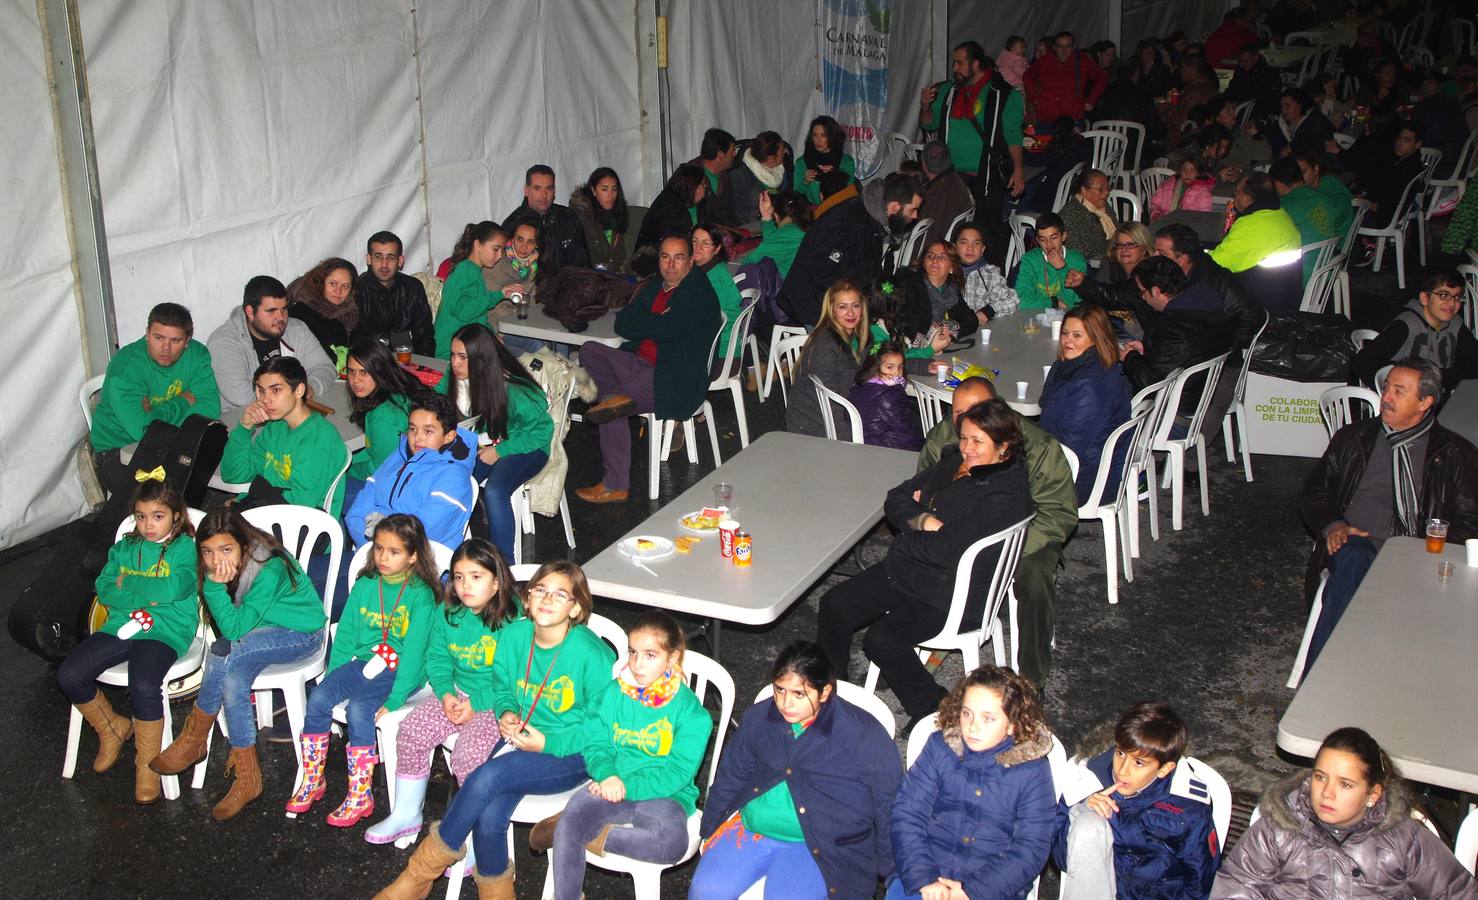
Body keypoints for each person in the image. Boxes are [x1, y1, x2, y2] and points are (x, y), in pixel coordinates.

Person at [373, 561, 615, 900]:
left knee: (486, 777)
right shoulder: (515, 635)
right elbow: (503, 688)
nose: (547, 599)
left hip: (574, 751)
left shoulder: (592, 654)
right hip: (518, 741)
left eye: (560, 594)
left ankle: (418, 875)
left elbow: (602, 729)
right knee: (489, 814)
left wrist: (549, 740)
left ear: (575, 607)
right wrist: (505, 713)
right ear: (527, 599)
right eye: (540, 590)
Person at [816, 400, 1034, 721]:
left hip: (951, 593)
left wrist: (905, 539)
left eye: (977, 441)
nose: (967, 448)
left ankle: (934, 706)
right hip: (913, 572)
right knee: (834, 605)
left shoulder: (1002, 495)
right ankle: (832, 693)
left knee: (882, 640)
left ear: (1004, 447)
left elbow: (946, 550)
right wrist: (923, 521)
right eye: (963, 437)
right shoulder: (957, 464)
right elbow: (897, 496)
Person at [1297, 358, 1478, 672]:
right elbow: (1314, 492)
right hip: (1357, 544)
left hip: (1416, 553)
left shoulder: (1456, 454)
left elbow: (1469, 519)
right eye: (1386, 388)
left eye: (1399, 390)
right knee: (1354, 557)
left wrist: (1427, 549)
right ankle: (1325, 675)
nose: (1386, 397)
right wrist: (1334, 524)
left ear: (1426, 402)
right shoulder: (1354, 439)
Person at [149, 508, 326, 821]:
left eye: (226, 549)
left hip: (301, 634)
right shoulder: (217, 565)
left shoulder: (268, 567)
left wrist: (215, 587)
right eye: (208, 551)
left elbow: (232, 630)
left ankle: (194, 739)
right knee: (232, 678)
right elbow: (235, 627)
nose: (217, 560)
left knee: (223, 651)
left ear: (243, 546)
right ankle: (248, 779)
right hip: (257, 632)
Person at [689, 641, 903, 899]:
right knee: (705, 891)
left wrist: (893, 871)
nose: (785, 703)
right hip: (752, 829)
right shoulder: (760, 718)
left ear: (824, 692)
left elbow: (887, 803)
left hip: (814, 844)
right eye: (779, 690)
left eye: (799, 694)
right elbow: (731, 775)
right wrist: (709, 829)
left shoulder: (862, 736)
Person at [532, 611, 713, 900]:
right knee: (571, 827)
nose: (638, 664)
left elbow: (677, 774)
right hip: (609, 782)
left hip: (664, 794)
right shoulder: (612, 694)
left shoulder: (692, 714)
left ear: (673, 657)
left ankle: (587, 832)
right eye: (632, 652)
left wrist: (624, 786)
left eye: (650, 655)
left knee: (671, 843)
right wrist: (606, 773)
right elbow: (595, 744)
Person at [916, 378, 1077, 687]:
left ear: (997, 409)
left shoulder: (1036, 446)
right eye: (957, 411)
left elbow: (1057, 512)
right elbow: (923, 492)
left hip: (1026, 535)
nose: (963, 418)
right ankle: (913, 648)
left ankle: (1031, 678)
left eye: (974, 410)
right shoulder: (945, 439)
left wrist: (1004, 547)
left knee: (1034, 579)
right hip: (965, 529)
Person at [364, 538, 521, 848]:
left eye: (476, 577)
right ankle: (407, 813)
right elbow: (437, 658)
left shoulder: (513, 619)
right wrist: (447, 694)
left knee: (468, 757)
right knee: (411, 732)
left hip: (498, 701)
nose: (465, 586)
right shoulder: (447, 612)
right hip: (457, 693)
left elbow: (515, 677)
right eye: (459, 577)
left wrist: (475, 704)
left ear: (496, 581)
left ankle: (475, 836)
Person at [286, 514, 438, 826]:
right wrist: (335, 676)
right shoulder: (366, 585)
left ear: (413, 556)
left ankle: (361, 793)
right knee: (318, 698)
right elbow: (346, 636)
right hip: (362, 662)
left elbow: (414, 653)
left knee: (360, 710)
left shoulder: (420, 595)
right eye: (379, 548)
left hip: (399, 670)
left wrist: (396, 699)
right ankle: (314, 778)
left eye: (394, 551)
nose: (383, 557)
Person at [57, 476, 197, 805]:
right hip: (122, 624)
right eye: (141, 516)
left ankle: (147, 765)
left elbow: (174, 590)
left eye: (157, 516)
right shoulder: (124, 548)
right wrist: (141, 595)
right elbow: (105, 589)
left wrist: (129, 582)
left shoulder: (185, 548)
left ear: (176, 515)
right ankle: (112, 728)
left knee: (144, 683)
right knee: (69, 674)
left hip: (166, 628)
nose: (148, 525)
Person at [1212, 727, 1478, 898]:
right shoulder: (1279, 828)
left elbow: (1458, 892)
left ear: (1373, 795)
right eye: (1320, 777)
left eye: (1345, 784)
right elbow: (1236, 886)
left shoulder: (1404, 840)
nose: (1327, 793)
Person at [888, 666, 1057, 900]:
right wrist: (923, 877)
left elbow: (1031, 849)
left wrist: (973, 891)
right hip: (925, 873)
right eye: (967, 713)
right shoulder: (940, 747)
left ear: (1012, 724)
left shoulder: (1032, 770)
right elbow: (907, 812)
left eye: (988, 718)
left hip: (992, 888)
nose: (973, 726)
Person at [574, 235, 722, 504]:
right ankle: (615, 397)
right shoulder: (656, 288)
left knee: (610, 407)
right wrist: (655, 320)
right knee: (589, 350)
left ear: (690, 261)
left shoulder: (698, 293)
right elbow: (624, 323)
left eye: (678, 257)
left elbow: (664, 330)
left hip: (672, 377)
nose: (671, 264)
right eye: (665, 257)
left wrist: (652, 323)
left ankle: (615, 484)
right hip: (639, 364)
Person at [1056, 702, 1219, 900]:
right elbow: (1063, 861)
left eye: (1138, 763)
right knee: (1086, 823)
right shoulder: (1087, 780)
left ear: (1164, 769)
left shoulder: (1186, 809)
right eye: (1120, 753)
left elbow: (1200, 885)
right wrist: (1081, 810)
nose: (1122, 770)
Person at [439, 324, 553, 560]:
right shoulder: (457, 378)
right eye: (452, 355)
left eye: (463, 357)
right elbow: (436, 402)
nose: (455, 363)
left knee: (495, 491)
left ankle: (505, 565)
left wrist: (501, 451)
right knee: (457, 479)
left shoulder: (515, 390)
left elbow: (542, 432)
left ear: (482, 359)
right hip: (486, 443)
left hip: (527, 445)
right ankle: (450, 549)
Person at [89, 302, 222, 491]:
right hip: (118, 449)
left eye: (175, 341)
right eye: (158, 337)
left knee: (210, 482)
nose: (165, 348)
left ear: (187, 341)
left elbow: (209, 410)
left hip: (175, 442)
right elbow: (143, 432)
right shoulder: (127, 368)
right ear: (147, 333)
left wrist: (154, 414)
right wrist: (183, 401)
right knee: (161, 498)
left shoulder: (197, 355)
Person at [919, 42, 1027, 265]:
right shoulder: (948, 92)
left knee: (985, 233)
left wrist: (1017, 169)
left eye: (960, 62)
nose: (954, 67)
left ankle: (990, 280)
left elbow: (1013, 135)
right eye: (954, 63)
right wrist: (926, 107)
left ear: (976, 64)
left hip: (984, 177)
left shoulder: (1001, 94)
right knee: (948, 229)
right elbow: (929, 124)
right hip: (949, 177)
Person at [779, 172, 922, 328]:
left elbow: (867, 269)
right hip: (814, 307)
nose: (915, 216)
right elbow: (822, 275)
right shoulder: (850, 225)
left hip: (842, 300)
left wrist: (885, 294)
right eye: (913, 209)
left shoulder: (873, 218)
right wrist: (853, 313)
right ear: (894, 206)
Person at [345, 392, 478, 551]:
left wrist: (379, 543)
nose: (417, 438)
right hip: (373, 552)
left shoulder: (453, 476)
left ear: (449, 436)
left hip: (419, 566)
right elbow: (356, 513)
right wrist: (373, 547)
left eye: (428, 431)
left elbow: (423, 530)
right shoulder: (398, 457)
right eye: (413, 429)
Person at [219, 357, 347, 515]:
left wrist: (246, 509)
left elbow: (299, 505)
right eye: (261, 390)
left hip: (301, 528)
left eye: (275, 390)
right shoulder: (275, 428)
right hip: (272, 511)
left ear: (299, 390)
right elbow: (234, 475)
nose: (265, 399)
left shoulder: (317, 440)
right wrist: (245, 428)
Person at [1040, 305, 1133, 503]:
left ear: (1095, 338)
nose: (1067, 341)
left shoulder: (1088, 385)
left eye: (1077, 335)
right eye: (1065, 333)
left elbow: (1068, 450)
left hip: (1082, 480)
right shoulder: (1092, 365)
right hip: (1090, 465)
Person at [207, 275, 337, 409]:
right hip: (245, 420)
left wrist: (310, 387)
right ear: (250, 312)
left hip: (292, 413)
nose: (280, 317)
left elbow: (325, 367)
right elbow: (243, 397)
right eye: (271, 311)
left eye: (284, 309)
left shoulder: (297, 329)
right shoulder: (224, 342)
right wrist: (294, 394)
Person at [1119, 255, 1236, 392]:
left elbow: (1149, 381)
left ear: (1155, 291)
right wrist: (1148, 348)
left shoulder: (1174, 327)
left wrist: (1129, 357)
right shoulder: (1205, 305)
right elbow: (1182, 354)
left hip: (1180, 401)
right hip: (1208, 388)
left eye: (1142, 292)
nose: (1142, 298)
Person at [1352, 270, 1478, 391]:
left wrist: (1443, 377)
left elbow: (1473, 360)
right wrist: (1392, 388)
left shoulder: (1455, 324)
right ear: (1425, 298)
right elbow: (1363, 361)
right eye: (1444, 295)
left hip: (1439, 396)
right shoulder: (1406, 324)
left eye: (1457, 297)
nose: (1451, 303)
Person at [786, 279, 874, 440]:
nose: (850, 313)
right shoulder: (825, 346)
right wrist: (852, 444)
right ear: (832, 310)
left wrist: (926, 365)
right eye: (843, 307)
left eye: (855, 305)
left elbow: (884, 360)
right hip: (814, 423)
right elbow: (833, 402)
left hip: (846, 408)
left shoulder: (861, 336)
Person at [343, 337, 421, 488]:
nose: (355, 380)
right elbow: (374, 450)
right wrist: (345, 462)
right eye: (351, 372)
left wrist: (346, 471)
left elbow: (379, 468)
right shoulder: (393, 393)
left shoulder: (384, 416)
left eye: (364, 372)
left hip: (399, 485)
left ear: (380, 371)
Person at [1269, 157, 1352, 284]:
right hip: (1328, 268)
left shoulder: (1282, 207)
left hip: (1299, 277)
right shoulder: (1326, 199)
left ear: (1278, 185)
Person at [432, 221, 509, 359]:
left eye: (502, 250)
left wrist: (492, 335)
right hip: (450, 352)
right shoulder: (465, 271)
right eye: (496, 249)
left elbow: (477, 318)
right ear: (477, 244)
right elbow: (465, 311)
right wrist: (499, 295)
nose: (500, 255)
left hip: (466, 347)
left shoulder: (473, 271)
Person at [500, 164, 590, 279]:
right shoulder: (513, 225)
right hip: (529, 293)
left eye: (549, 188)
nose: (544, 195)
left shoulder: (568, 218)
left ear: (554, 191)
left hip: (568, 291)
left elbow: (582, 265)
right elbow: (504, 272)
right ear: (526, 191)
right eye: (537, 188)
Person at [356, 230, 436, 356]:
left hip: (406, 360)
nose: (384, 265)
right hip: (369, 361)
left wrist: (424, 369)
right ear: (369, 259)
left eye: (391, 257)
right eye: (378, 257)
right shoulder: (357, 289)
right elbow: (354, 341)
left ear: (400, 261)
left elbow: (424, 336)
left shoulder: (412, 288)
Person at [1211, 173, 1301, 274]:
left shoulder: (1251, 226)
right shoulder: (1280, 214)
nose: (1234, 197)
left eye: (1236, 192)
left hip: (1259, 287)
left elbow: (1215, 264)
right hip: (1283, 283)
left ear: (1247, 197)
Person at [481, 217, 546, 356]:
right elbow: (492, 306)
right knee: (537, 346)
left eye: (530, 241)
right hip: (496, 325)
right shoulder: (496, 261)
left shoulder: (534, 265)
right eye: (520, 239)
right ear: (512, 238)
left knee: (555, 341)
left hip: (523, 322)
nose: (524, 246)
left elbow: (532, 299)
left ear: (537, 245)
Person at [630, 164, 707, 278]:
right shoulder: (669, 208)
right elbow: (674, 245)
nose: (705, 190)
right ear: (694, 187)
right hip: (653, 264)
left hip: (669, 259)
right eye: (703, 185)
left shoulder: (687, 203)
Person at [1024, 31, 1108, 130]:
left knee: (1074, 145)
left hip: (1073, 118)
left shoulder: (1083, 61)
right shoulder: (1045, 61)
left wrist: (1091, 100)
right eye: (1060, 46)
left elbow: (1102, 77)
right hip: (1047, 118)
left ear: (1074, 47)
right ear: (1054, 48)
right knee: (1046, 145)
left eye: (1067, 46)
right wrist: (1035, 98)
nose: (1063, 51)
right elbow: (1027, 76)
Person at [1354, 120, 1427, 234]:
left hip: (1380, 218)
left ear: (1417, 144)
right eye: (1399, 138)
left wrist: (1360, 201)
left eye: (1406, 140)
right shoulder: (1398, 161)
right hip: (1375, 210)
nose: (1399, 143)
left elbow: (1387, 208)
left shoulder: (1407, 170)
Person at [849, 342, 924, 451]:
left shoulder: (862, 384)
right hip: (885, 448)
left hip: (869, 440)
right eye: (890, 367)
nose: (897, 373)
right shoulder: (886, 397)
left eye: (900, 367)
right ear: (875, 367)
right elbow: (904, 429)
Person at [287, 257, 360, 368]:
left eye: (345, 286)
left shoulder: (351, 314)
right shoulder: (300, 302)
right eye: (333, 283)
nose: (338, 291)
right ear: (322, 282)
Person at [691, 222, 745, 362]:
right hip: (716, 346)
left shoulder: (714, 280)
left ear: (717, 249)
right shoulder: (709, 270)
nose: (698, 247)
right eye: (694, 241)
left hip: (720, 354)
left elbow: (707, 322)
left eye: (705, 243)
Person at [1015, 212, 1088, 309]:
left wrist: (1062, 268)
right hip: (1035, 317)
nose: (1048, 245)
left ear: (1064, 236)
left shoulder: (1076, 260)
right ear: (1037, 240)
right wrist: (1053, 303)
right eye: (1043, 239)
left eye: (1053, 238)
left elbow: (1073, 303)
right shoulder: (1030, 260)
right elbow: (1019, 301)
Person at [955, 223, 1020, 324]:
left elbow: (1012, 300)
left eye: (976, 243)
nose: (970, 248)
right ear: (954, 247)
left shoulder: (989, 274)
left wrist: (987, 312)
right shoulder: (946, 271)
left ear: (982, 250)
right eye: (964, 242)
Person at [568, 167, 629, 272]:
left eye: (614, 189)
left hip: (614, 277)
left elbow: (620, 258)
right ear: (593, 190)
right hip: (588, 278)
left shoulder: (616, 216)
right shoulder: (582, 217)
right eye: (604, 189)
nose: (610, 195)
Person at [917, 141, 974, 249]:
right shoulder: (954, 181)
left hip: (936, 248)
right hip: (950, 241)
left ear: (923, 164)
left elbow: (929, 236)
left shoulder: (939, 194)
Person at [743, 189, 811, 278]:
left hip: (790, 287)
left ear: (776, 215)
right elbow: (773, 244)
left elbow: (749, 263)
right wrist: (766, 218)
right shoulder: (810, 228)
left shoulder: (784, 236)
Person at [1059, 168, 1120, 262]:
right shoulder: (1071, 215)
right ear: (1084, 190)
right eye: (1101, 189)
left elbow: (1117, 228)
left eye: (1108, 188)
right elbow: (1081, 252)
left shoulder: (1101, 207)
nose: (1106, 193)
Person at [729, 130, 789, 224]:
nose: (785, 151)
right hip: (753, 228)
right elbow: (733, 211)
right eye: (782, 150)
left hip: (780, 224)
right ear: (771, 157)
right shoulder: (740, 176)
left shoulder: (782, 172)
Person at [690, 128, 739, 227]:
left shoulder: (725, 177)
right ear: (720, 155)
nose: (735, 154)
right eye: (732, 151)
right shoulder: (689, 175)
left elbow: (728, 213)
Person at [1149, 154, 1216, 220]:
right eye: (1184, 170)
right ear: (1179, 171)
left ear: (1198, 173)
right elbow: (1155, 203)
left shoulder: (1203, 193)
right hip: (1165, 222)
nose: (1188, 174)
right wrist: (1156, 214)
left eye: (1192, 171)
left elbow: (1204, 217)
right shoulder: (1167, 186)